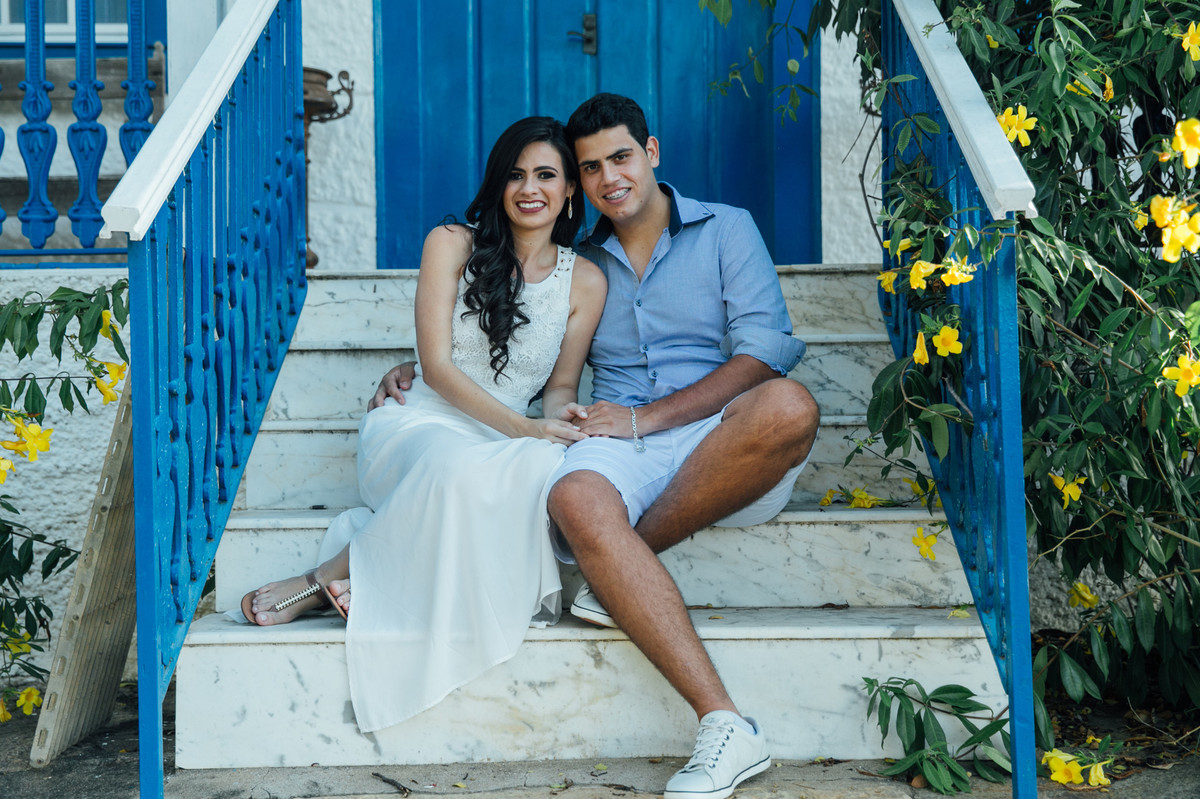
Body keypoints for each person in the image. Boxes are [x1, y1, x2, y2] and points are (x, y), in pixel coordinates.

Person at [377, 94, 819, 799]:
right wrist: (418, 369)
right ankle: (726, 723)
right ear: (578, 183)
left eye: (621, 157)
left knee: (790, 405)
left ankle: (613, 566)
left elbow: (766, 353)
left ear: (652, 152)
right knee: (574, 496)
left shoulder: (727, 228)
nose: (609, 177)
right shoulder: (577, 264)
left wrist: (650, 418)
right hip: (618, 436)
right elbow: (525, 358)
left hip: (718, 433)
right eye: (590, 167)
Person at [236, 116, 607, 733]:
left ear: (570, 189)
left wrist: (557, 424)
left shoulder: (586, 281)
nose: (529, 188)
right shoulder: (452, 243)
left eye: (546, 175)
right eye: (515, 175)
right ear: (497, 183)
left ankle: (360, 574)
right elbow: (435, 366)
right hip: (419, 423)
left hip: (502, 436)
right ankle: (325, 577)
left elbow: (561, 386)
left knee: (547, 463)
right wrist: (523, 431)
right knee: (458, 467)